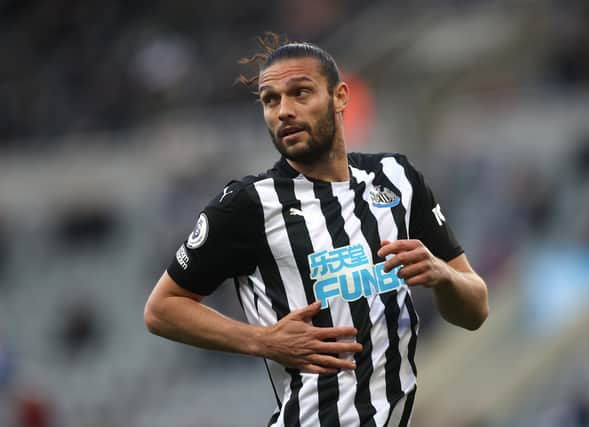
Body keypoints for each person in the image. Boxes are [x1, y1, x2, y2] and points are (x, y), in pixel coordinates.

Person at [144, 33, 489, 427]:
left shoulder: (397, 179)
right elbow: (162, 309)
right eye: (271, 100)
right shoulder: (248, 205)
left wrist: (442, 275)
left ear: (340, 97)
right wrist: (264, 341)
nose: (284, 111)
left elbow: (475, 309)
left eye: (300, 94)